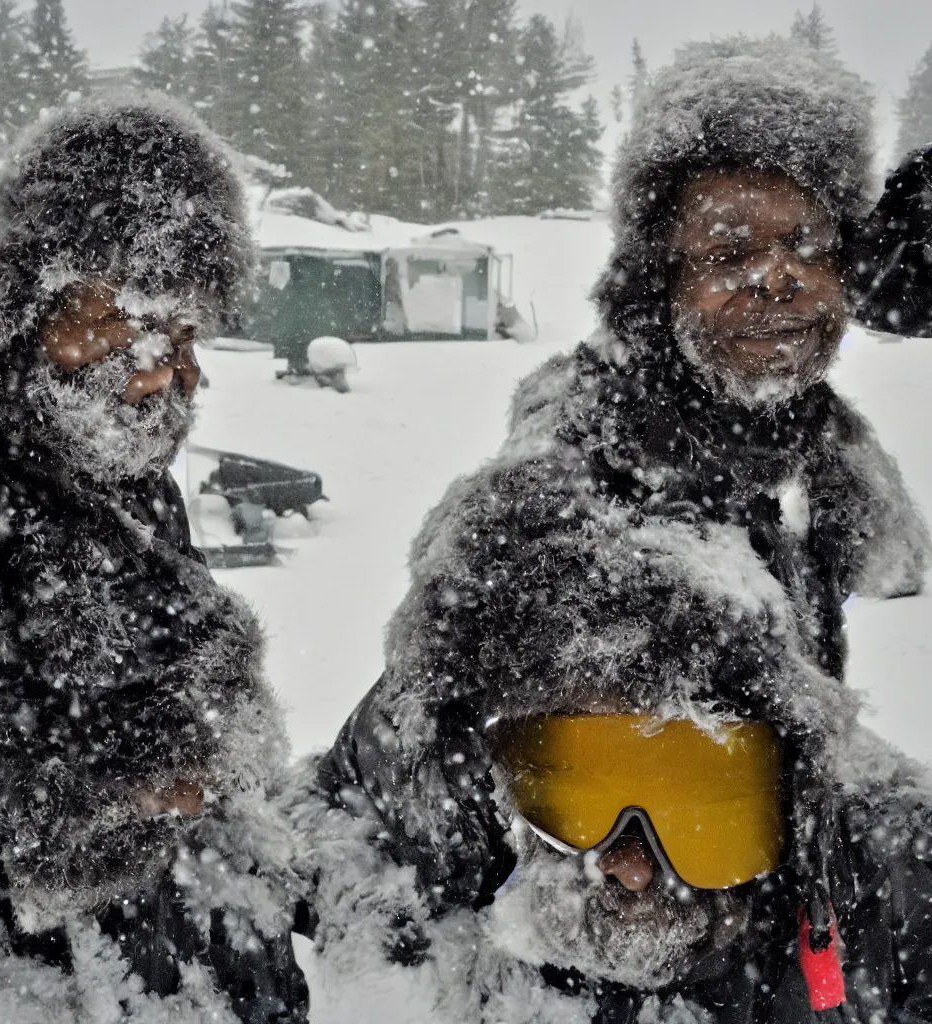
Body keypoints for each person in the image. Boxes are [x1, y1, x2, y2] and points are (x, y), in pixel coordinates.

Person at [287, 38, 932, 1023]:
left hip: (767, 949)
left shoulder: (787, 463)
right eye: (727, 252)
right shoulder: (560, 497)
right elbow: (392, 775)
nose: (776, 278)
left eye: (807, 244)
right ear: (655, 280)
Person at [0, 97, 306, 1022]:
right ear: (24, 307)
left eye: (188, 332)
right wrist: (103, 796)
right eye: (127, 323)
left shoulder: (123, 477)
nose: (167, 369)